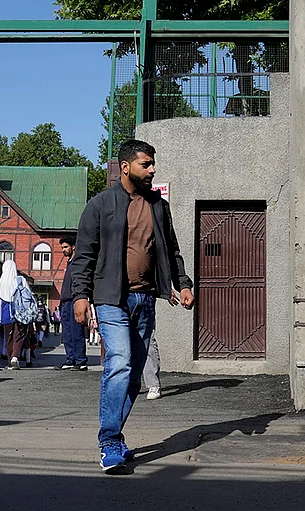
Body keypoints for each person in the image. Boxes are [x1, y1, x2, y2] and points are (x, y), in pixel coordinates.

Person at [71, 139, 194, 474]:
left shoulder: (158, 205)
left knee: (134, 377)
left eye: (153, 163)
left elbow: (171, 248)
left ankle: (116, 435)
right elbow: (84, 255)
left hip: (145, 299)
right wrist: (80, 296)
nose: (152, 169)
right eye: (146, 164)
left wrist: (183, 284)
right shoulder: (100, 205)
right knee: (120, 363)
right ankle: (109, 441)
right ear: (126, 167)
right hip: (111, 299)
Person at [55, 235, 88, 371]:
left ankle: (80, 361)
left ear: (73, 247)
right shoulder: (69, 262)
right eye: (62, 247)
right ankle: (70, 359)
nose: (63, 250)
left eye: (66, 247)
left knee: (76, 332)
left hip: (74, 300)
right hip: (65, 302)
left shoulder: (77, 262)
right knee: (67, 333)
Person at [0, 260, 30, 370]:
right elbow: (27, 296)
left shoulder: (1, 282)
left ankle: (10, 362)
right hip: (19, 313)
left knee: (8, 338)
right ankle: (15, 357)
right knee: (18, 336)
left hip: (5, 314)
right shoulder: (21, 280)